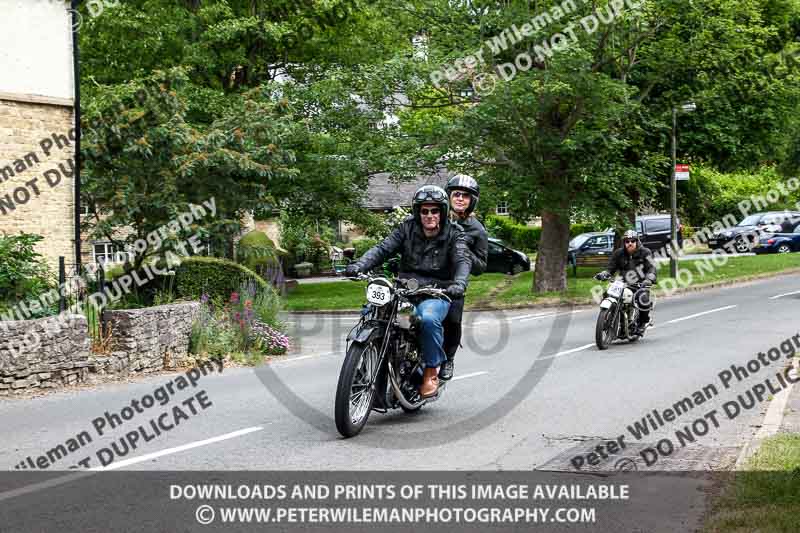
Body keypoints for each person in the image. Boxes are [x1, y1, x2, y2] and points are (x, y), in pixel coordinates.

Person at [345, 185, 470, 398]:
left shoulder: (454, 233)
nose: (429, 215)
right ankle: (363, 364)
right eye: (424, 211)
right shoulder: (406, 228)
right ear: (417, 212)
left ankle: (431, 371)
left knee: (428, 319)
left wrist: (458, 283)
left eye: (434, 211)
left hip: (437, 290)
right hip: (405, 288)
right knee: (374, 312)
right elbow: (382, 249)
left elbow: (462, 259)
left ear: (442, 211)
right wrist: (360, 265)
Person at [440, 174, 488, 381]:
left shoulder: (477, 230)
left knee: (452, 319)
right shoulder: (434, 219)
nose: (460, 199)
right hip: (424, 278)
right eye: (456, 194)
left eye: (465, 196)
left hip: (453, 284)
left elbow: (481, 267)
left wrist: (464, 253)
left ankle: (448, 358)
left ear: (472, 201)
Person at [595, 229, 656, 334]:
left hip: (639, 284)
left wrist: (649, 279)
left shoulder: (645, 252)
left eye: (632, 241)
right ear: (624, 243)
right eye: (627, 241)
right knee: (607, 293)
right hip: (622, 283)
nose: (630, 243)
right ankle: (607, 317)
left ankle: (642, 322)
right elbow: (610, 268)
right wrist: (604, 274)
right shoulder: (618, 253)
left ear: (637, 241)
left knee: (643, 298)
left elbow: (651, 268)